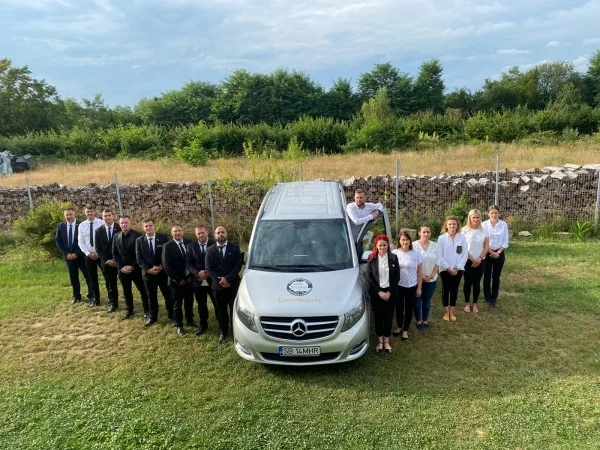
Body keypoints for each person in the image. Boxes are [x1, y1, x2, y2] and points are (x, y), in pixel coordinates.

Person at [205, 226, 243, 345]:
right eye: (218, 232)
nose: (220, 234)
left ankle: (235, 331)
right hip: (217, 286)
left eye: (223, 232)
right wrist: (220, 280)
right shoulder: (209, 250)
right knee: (221, 310)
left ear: (227, 234)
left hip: (232, 284)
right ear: (214, 235)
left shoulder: (235, 248)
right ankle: (223, 332)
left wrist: (227, 278)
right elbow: (208, 269)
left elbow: (238, 266)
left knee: (233, 309)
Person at [135, 218, 173, 327]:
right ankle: (152, 317)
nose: (149, 228)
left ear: (154, 226)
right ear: (143, 228)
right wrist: (148, 269)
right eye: (146, 226)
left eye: (150, 225)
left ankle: (172, 316)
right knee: (151, 296)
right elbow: (139, 258)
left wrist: (161, 266)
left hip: (162, 273)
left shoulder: (163, 237)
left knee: (168, 295)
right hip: (148, 274)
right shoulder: (139, 241)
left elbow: (167, 254)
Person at [365, 235, 399, 354]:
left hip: (390, 293)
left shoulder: (393, 258)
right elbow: (369, 276)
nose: (382, 247)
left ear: (388, 245)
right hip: (377, 293)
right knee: (378, 317)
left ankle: (386, 341)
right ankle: (380, 341)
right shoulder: (371, 258)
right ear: (376, 245)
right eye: (380, 245)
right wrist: (379, 292)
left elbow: (397, 277)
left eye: (384, 245)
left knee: (388, 317)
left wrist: (389, 292)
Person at [112, 216, 149, 320]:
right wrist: (120, 267)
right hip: (122, 270)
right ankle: (129, 310)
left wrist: (132, 266)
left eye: (126, 222)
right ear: (119, 224)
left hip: (136, 269)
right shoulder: (116, 236)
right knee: (126, 291)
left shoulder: (138, 235)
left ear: (130, 223)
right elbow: (114, 253)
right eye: (122, 223)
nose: (124, 225)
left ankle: (147, 310)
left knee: (143, 290)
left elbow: (141, 254)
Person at [162, 224, 195, 336]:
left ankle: (190, 320)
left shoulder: (189, 243)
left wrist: (191, 275)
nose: (178, 233)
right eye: (175, 231)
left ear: (182, 231)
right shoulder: (167, 246)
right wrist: (178, 279)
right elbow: (167, 266)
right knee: (177, 303)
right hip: (176, 281)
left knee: (189, 300)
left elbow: (193, 259)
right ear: (171, 233)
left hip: (189, 279)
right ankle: (179, 324)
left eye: (179, 230)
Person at [55, 208, 92, 304]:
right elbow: (58, 241)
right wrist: (66, 253)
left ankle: (91, 295)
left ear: (74, 214)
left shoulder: (81, 225)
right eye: (67, 215)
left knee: (88, 276)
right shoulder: (60, 226)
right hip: (69, 257)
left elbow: (85, 241)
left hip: (81, 256)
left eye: (70, 214)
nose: (69, 216)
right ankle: (76, 296)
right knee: (73, 277)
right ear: (64, 215)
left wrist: (76, 253)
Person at [186, 225, 218, 336]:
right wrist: (197, 273)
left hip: (213, 279)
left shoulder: (215, 244)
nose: (201, 235)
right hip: (198, 280)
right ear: (196, 235)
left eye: (202, 232)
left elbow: (219, 261)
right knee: (201, 303)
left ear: (207, 232)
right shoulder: (191, 246)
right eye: (198, 233)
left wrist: (209, 273)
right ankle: (203, 324)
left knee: (216, 301)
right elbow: (189, 263)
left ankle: (221, 322)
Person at [392, 232, 423, 341]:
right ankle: (399, 326)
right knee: (399, 308)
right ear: (399, 241)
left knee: (409, 309)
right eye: (403, 240)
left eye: (407, 239)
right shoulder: (394, 253)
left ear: (410, 241)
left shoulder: (416, 254)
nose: (405, 242)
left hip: (411, 286)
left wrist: (419, 287)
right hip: (398, 286)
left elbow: (420, 271)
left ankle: (405, 330)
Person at [437, 216, 468, 322]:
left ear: (457, 225)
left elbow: (465, 253)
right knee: (446, 289)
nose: (452, 226)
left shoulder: (462, 237)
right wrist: (448, 268)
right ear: (446, 226)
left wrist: (458, 267)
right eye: (450, 224)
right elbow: (439, 256)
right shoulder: (441, 238)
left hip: (458, 268)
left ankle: (452, 311)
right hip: (445, 269)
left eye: (454, 224)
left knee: (455, 289)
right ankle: (446, 311)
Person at [461, 209, 489, 313]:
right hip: (467, 260)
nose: (476, 219)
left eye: (477, 217)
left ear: (480, 218)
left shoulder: (484, 230)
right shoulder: (464, 230)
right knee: (467, 282)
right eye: (473, 217)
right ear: (470, 218)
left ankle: (475, 303)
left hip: (481, 261)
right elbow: (462, 247)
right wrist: (472, 259)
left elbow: (486, 247)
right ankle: (467, 303)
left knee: (477, 282)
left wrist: (479, 259)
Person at [94, 209, 121, 313]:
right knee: (110, 284)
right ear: (102, 217)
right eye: (105, 216)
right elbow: (98, 249)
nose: (107, 217)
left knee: (126, 284)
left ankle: (129, 304)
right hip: (107, 263)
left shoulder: (120, 227)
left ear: (113, 216)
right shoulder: (98, 231)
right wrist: (107, 260)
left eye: (109, 215)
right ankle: (113, 303)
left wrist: (116, 260)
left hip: (120, 261)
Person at [77, 204, 104, 307]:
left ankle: (112, 299)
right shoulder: (82, 225)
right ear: (85, 213)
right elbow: (80, 242)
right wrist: (88, 253)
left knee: (107, 277)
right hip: (88, 256)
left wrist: (99, 253)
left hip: (101, 255)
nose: (90, 213)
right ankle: (95, 299)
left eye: (91, 211)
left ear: (94, 212)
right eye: (88, 211)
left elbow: (104, 240)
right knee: (92, 278)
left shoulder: (101, 223)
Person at [412, 225, 438, 330]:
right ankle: (418, 320)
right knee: (417, 300)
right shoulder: (413, 245)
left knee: (427, 301)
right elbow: (411, 262)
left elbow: (438, 262)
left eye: (428, 232)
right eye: (424, 232)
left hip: (431, 279)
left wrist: (432, 275)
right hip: (417, 279)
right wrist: (421, 276)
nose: (426, 234)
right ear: (419, 233)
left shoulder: (435, 246)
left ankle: (425, 320)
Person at [482, 205, 509, 308]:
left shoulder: (503, 224)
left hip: (499, 253)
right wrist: (491, 252)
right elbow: (484, 241)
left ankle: (494, 299)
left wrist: (498, 252)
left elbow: (505, 241)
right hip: (487, 253)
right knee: (487, 277)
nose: (494, 215)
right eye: (492, 213)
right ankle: (487, 299)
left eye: (496, 213)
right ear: (488, 214)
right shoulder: (484, 225)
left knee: (496, 277)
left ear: (499, 213)